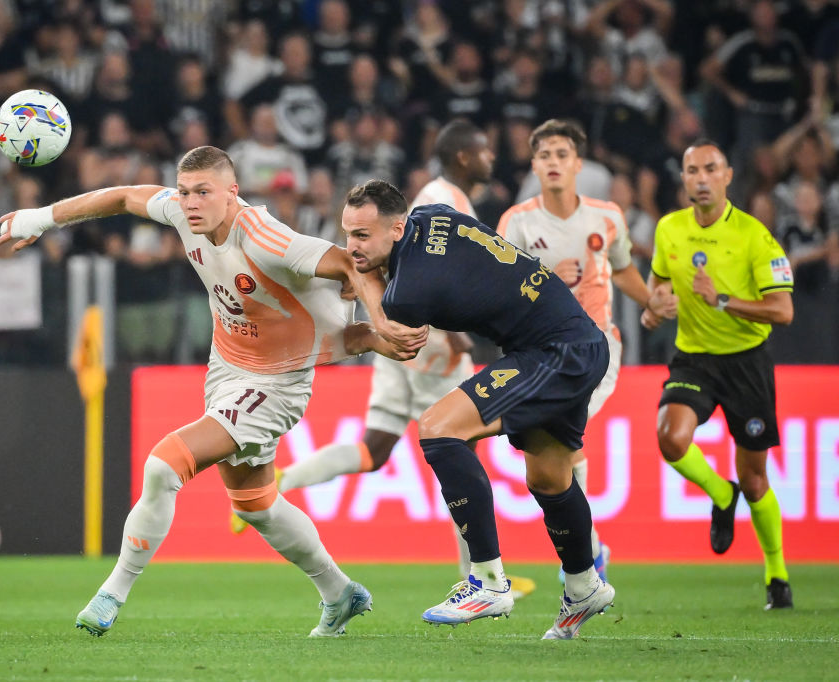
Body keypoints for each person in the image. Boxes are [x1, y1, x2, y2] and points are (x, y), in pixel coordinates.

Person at [0, 146, 427, 637]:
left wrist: (381, 324)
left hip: (278, 381)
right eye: (184, 192)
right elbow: (122, 197)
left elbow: (351, 266)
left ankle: (112, 592)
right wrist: (40, 217)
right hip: (227, 366)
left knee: (164, 464)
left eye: (203, 192)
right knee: (256, 505)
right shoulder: (183, 214)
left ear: (232, 193)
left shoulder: (266, 237)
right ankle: (340, 592)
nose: (191, 202)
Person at [252, 119, 535, 599]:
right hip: (429, 342)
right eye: (485, 151)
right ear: (464, 156)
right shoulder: (445, 203)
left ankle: (286, 478)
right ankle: (481, 576)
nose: (493, 158)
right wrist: (459, 336)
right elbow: (429, 273)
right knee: (460, 448)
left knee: (375, 448)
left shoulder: (428, 195)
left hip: (393, 341)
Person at [340, 178, 614, 640]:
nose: (351, 246)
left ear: (397, 228)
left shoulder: (410, 289)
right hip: (572, 340)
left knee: (438, 429)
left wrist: (358, 278)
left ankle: (487, 581)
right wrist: (365, 268)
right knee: (548, 477)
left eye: (362, 236)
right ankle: (585, 585)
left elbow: (393, 332)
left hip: (554, 350)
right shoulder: (431, 218)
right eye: (347, 233)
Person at [496, 119, 677, 583]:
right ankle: (591, 548)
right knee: (555, 447)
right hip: (541, 350)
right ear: (534, 165)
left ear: (578, 164)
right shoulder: (516, 222)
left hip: (596, 348)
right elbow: (501, 296)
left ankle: (585, 557)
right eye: (545, 156)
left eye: (562, 155)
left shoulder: (606, 216)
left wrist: (651, 301)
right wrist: (548, 277)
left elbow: (622, 271)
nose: (553, 163)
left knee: (560, 436)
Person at [641, 140, 796, 610]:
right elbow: (659, 286)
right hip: (695, 359)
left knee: (756, 481)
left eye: (711, 169)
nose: (702, 178)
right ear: (684, 179)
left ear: (728, 176)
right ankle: (718, 492)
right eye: (693, 170)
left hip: (747, 363)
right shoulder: (670, 228)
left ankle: (777, 573)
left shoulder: (754, 236)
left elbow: (783, 310)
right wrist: (655, 308)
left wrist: (723, 301)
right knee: (670, 438)